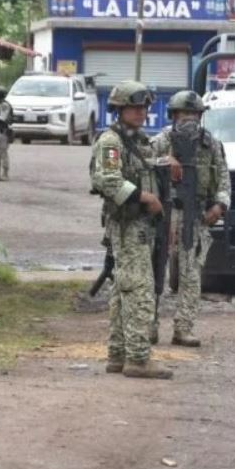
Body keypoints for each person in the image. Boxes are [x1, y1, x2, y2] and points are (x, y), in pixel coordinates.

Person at [90, 80, 172, 379]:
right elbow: (106, 179)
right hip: (127, 225)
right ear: (120, 109)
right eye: (134, 107)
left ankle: (118, 354)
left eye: (144, 107)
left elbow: (146, 164)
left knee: (122, 290)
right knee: (139, 290)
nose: (141, 112)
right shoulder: (111, 142)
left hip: (140, 225)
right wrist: (144, 196)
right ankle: (138, 358)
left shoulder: (136, 141)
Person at [151, 91, 230, 348]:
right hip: (165, 214)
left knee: (191, 275)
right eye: (185, 114)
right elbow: (140, 163)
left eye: (195, 114)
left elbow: (224, 180)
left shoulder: (211, 144)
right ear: (173, 116)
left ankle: (183, 328)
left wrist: (219, 206)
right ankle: (148, 326)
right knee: (155, 271)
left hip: (196, 217)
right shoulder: (162, 140)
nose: (190, 119)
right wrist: (165, 160)